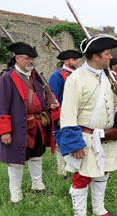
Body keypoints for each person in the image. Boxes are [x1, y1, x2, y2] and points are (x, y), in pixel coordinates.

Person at [54, 34, 117, 216]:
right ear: (95, 57)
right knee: (82, 177)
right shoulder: (76, 79)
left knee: (104, 172)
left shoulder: (109, 77)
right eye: (107, 54)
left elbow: (116, 106)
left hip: (106, 136)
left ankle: (99, 207)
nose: (111, 57)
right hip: (86, 137)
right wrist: (75, 144)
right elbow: (67, 114)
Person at [0, 42, 59, 205]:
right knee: (16, 160)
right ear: (17, 58)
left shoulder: (36, 76)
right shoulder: (7, 78)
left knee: (37, 155)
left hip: (37, 125)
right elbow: (0, 105)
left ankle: (38, 185)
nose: (31, 62)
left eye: (33, 59)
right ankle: (16, 195)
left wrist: (49, 104)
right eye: (28, 58)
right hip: (17, 127)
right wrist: (4, 131)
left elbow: (44, 95)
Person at [49, 49, 83, 178]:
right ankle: (61, 170)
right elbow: (53, 98)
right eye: (74, 59)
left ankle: (75, 167)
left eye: (77, 59)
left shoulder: (79, 75)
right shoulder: (57, 76)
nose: (77, 62)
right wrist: (58, 116)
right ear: (66, 61)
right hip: (63, 115)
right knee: (61, 142)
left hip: (78, 114)